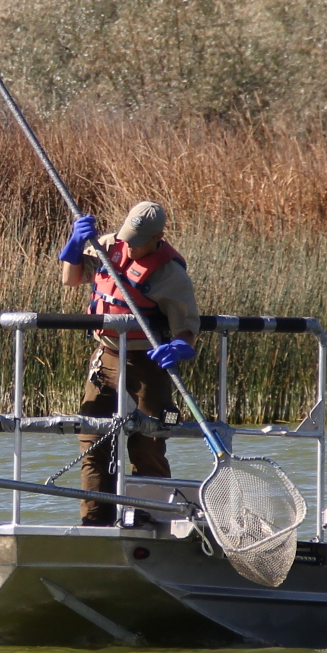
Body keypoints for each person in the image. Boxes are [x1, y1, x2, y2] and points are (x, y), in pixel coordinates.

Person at [58, 200, 200, 525]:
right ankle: (94, 522)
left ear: (157, 238)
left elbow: (187, 327)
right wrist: (75, 244)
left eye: (137, 243)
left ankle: (151, 520)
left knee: (148, 444)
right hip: (105, 358)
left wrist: (179, 346)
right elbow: (71, 279)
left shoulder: (170, 274)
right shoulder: (108, 246)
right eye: (127, 239)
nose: (129, 247)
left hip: (148, 363)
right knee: (92, 441)